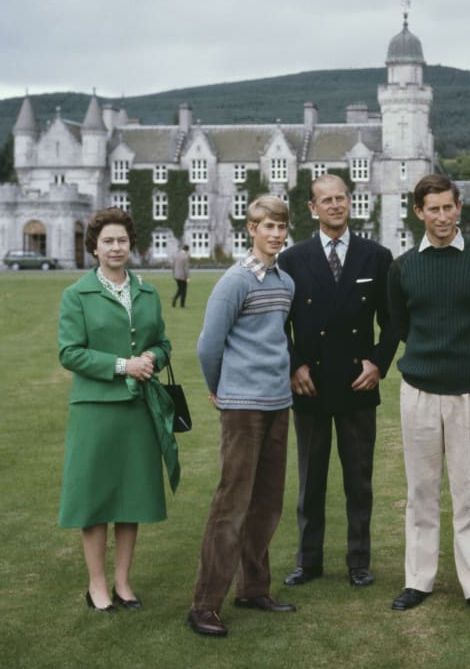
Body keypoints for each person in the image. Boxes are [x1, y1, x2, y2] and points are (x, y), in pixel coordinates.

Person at [387, 174, 470, 618]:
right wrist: (431, 357)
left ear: (460, 207)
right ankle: (417, 580)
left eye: (448, 207)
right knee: (421, 491)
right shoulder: (402, 267)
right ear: (418, 212)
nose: (442, 216)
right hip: (418, 390)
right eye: (432, 209)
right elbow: (401, 325)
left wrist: (467, 358)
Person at [278, 174, 398, 589]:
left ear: (351, 202)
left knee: (358, 481)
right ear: (312, 208)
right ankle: (308, 562)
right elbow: (279, 323)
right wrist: (294, 366)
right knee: (310, 481)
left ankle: (358, 562)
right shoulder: (293, 259)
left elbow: (393, 321)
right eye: (325, 200)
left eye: (341, 198)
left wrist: (378, 364)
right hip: (309, 385)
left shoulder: (376, 256)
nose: (335, 206)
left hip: (357, 384)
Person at [57, 207, 178, 613]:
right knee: (95, 500)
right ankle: (97, 586)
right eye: (107, 241)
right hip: (95, 410)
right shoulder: (77, 295)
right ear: (94, 247)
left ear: (131, 245)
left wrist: (151, 358)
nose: (115, 247)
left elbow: (163, 344)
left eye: (122, 241)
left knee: (132, 498)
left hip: (138, 410)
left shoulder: (147, 291)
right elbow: (69, 352)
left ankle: (124, 583)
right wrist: (122, 365)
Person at [186, 195, 296, 638]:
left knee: (267, 503)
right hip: (242, 407)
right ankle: (204, 605)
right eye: (266, 226)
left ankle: (253, 588)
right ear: (251, 229)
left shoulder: (284, 283)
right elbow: (207, 346)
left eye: (281, 227)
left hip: (277, 402)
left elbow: (278, 341)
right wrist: (218, 389)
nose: (275, 234)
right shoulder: (234, 282)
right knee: (231, 504)